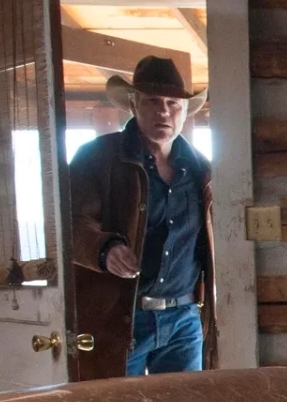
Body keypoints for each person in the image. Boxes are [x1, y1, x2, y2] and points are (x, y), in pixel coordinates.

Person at [69, 56, 217, 375]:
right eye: (152, 101)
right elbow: (69, 226)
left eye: (172, 103)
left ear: (184, 111)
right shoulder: (96, 158)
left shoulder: (202, 170)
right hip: (120, 316)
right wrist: (104, 250)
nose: (163, 111)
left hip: (184, 319)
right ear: (134, 105)